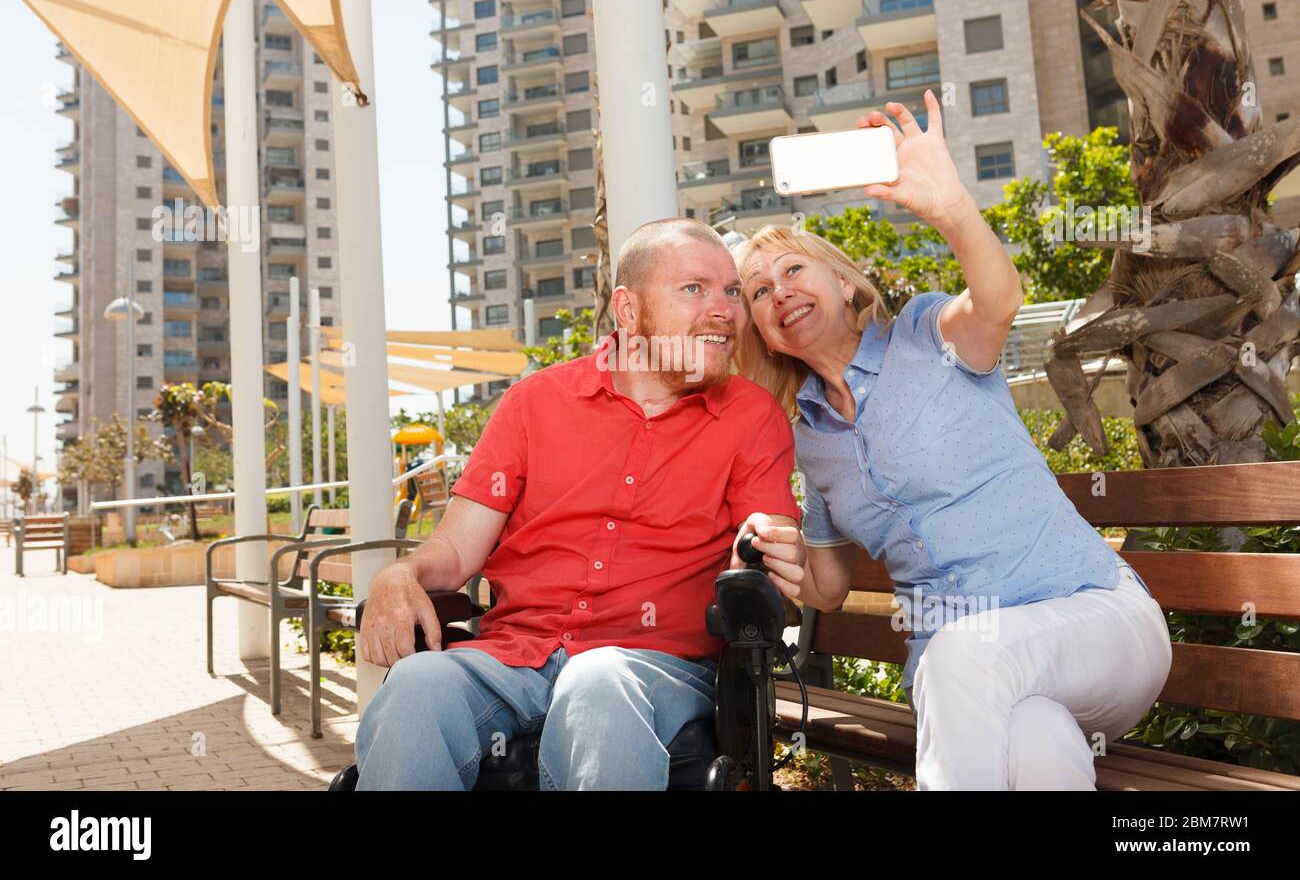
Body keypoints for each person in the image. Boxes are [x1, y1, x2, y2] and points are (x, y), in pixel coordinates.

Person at [728, 90, 1172, 790]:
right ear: (759, 328)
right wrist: (776, 558)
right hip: (986, 682)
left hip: (1096, 622)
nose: (777, 292)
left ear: (846, 286)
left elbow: (997, 301)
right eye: (757, 291)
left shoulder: (926, 335)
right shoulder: (812, 443)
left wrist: (949, 206)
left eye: (793, 270)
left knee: (962, 654)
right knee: (1037, 750)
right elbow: (829, 588)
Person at [354, 217, 801, 790]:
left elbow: (768, 536)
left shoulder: (750, 415)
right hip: (511, 660)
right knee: (415, 688)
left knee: (597, 680)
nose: (725, 310)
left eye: (732, 292)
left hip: (652, 669)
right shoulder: (534, 404)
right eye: (695, 289)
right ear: (629, 309)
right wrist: (401, 573)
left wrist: (764, 551)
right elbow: (457, 548)